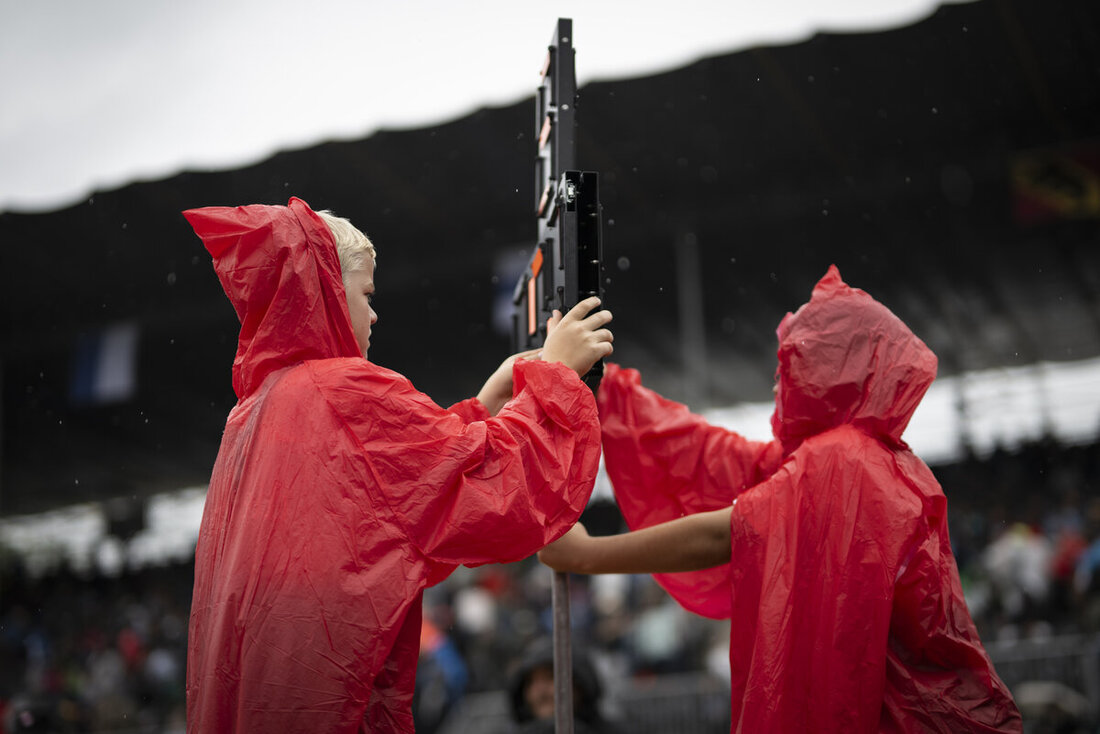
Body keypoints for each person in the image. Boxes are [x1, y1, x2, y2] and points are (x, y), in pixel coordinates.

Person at [182, 197, 614, 733]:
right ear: (328, 292)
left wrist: (483, 406)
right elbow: (490, 496)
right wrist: (558, 376)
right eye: (366, 295)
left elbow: (392, 515)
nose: (374, 312)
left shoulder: (250, 414)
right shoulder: (340, 388)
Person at [540, 265, 1023, 732]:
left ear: (832, 372)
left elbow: (728, 531)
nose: (778, 381)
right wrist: (604, 389)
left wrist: (587, 554)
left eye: (792, 364)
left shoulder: (845, 462)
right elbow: (709, 457)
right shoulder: (861, 460)